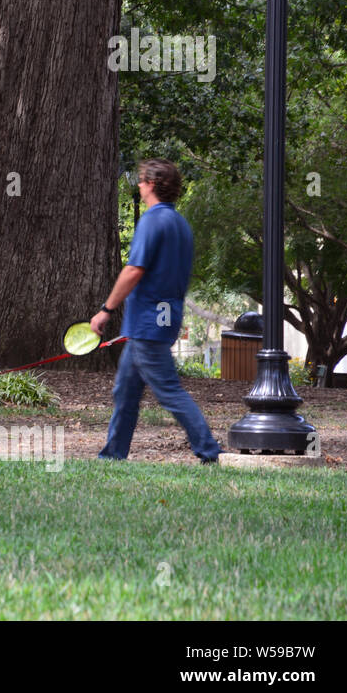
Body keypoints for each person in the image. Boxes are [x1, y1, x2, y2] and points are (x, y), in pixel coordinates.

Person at [89, 159, 222, 464]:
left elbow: (134, 269)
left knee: (169, 391)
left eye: (141, 180)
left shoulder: (152, 220)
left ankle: (209, 451)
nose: (138, 184)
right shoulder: (180, 224)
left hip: (149, 320)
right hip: (161, 317)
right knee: (125, 393)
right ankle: (112, 455)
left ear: (152, 184)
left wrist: (106, 309)